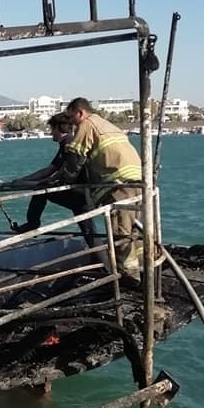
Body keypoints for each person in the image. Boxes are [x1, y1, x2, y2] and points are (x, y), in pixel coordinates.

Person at [61, 97, 142, 279]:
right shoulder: (108, 125)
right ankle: (146, 268)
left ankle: (130, 277)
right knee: (133, 231)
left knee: (120, 232)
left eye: (71, 117)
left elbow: (75, 158)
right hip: (137, 180)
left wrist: (66, 178)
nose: (71, 123)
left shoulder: (87, 125)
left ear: (80, 113)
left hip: (118, 184)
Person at [5, 112, 96, 245]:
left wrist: (30, 182)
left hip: (79, 195)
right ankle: (100, 262)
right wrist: (21, 181)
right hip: (81, 194)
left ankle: (32, 223)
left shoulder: (69, 144)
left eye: (52, 129)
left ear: (61, 128)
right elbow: (51, 169)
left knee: (41, 191)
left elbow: (57, 172)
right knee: (90, 235)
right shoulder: (67, 143)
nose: (51, 133)